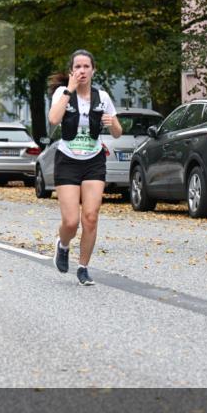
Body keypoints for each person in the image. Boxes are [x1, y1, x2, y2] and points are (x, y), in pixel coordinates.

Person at [47, 49, 122, 286]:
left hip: (93, 160)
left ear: (93, 70)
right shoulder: (62, 93)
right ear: (71, 71)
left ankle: (83, 267)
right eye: (77, 67)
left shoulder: (103, 97)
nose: (82, 71)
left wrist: (112, 123)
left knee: (90, 217)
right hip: (67, 160)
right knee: (71, 222)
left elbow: (118, 132)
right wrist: (69, 90)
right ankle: (63, 245)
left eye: (86, 66)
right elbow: (53, 120)